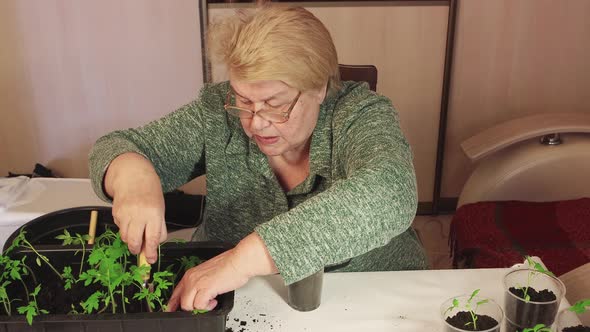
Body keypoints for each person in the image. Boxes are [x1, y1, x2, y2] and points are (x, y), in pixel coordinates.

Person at [88, 4, 427, 312]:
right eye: (243, 100)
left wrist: (243, 260)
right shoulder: (218, 112)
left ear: (320, 87)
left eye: (276, 104)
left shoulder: (359, 113)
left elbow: (390, 192)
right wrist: (135, 179)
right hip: (240, 302)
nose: (255, 122)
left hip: (369, 296)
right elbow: (116, 146)